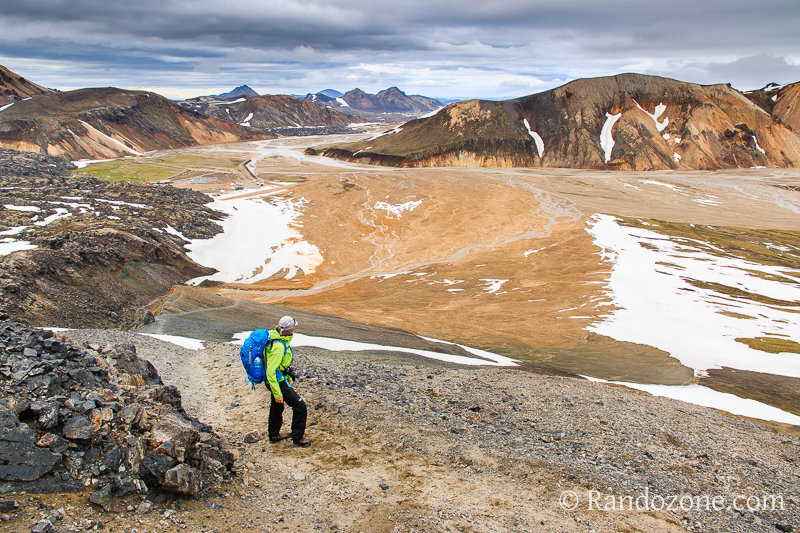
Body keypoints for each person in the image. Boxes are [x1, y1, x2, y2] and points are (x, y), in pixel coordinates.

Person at [265, 315, 311, 447]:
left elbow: (279, 366)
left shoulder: (276, 338)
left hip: (276, 380)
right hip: (276, 381)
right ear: (291, 330)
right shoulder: (279, 346)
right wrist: (278, 393)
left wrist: (288, 377)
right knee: (299, 405)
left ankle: (274, 434)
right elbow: (271, 371)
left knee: (277, 405)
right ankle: (298, 437)